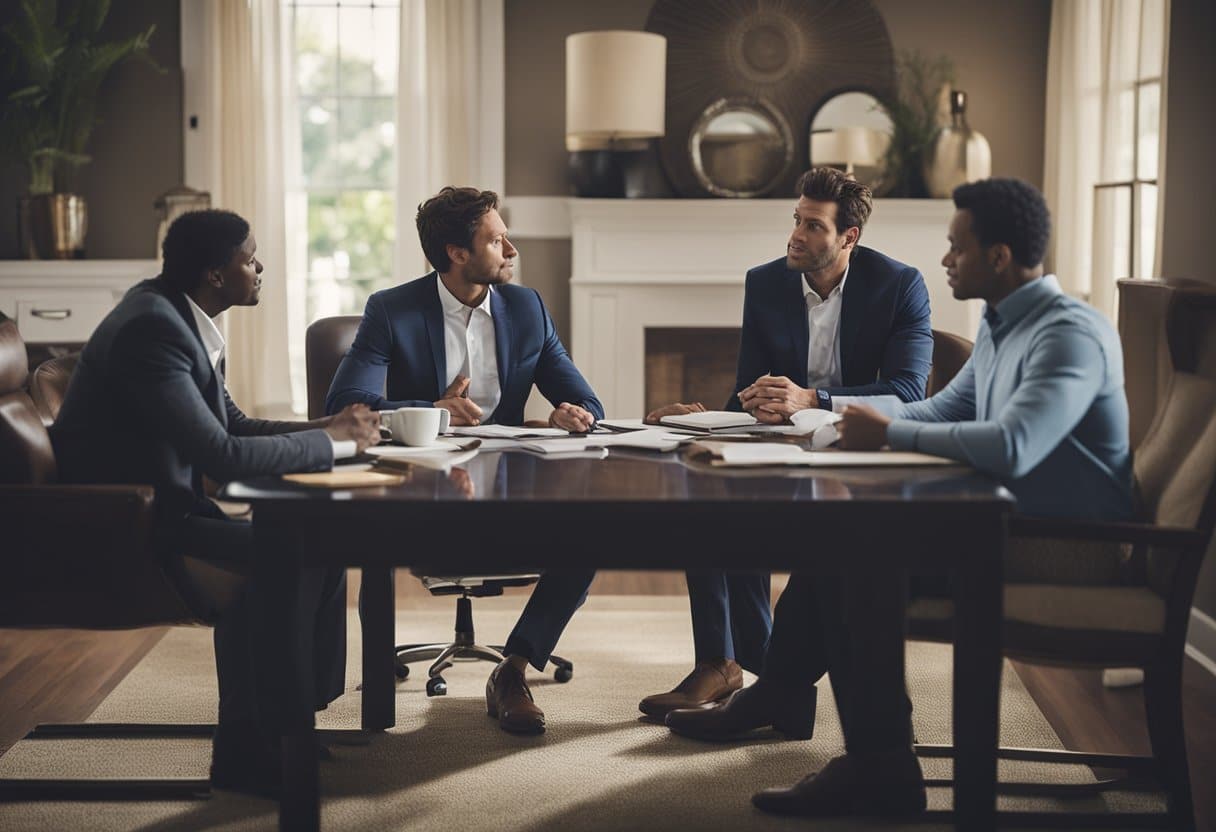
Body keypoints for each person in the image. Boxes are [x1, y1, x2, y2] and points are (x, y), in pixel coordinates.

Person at [668, 178, 1135, 819]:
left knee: (859, 558)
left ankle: (871, 760)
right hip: (1000, 521)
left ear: (998, 257)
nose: (945, 260)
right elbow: (945, 408)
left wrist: (884, 429)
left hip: (1063, 544)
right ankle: (807, 711)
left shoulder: (1068, 333)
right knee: (842, 542)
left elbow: (1017, 443)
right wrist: (845, 428)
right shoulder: (1005, 327)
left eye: (957, 248)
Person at [49, 209, 381, 798]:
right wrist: (329, 441)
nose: (258, 267)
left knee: (319, 543)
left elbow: (234, 423)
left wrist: (328, 426)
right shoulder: (155, 331)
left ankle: (286, 722)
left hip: (158, 510)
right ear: (214, 273)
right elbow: (223, 455)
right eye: (248, 258)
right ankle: (251, 747)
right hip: (125, 526)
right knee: (291, 551)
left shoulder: (178, 316)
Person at [638, 167, 933, 721]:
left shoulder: (899, 285)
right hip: (784, 443)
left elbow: (908, 392)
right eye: (796, 219)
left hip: (861, 451)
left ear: (849, 238)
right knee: (705, 492)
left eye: (814, 226)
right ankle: (723, 664)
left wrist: (813, 399)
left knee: (777, 526)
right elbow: (750, 386)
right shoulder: (766, 282)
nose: (796, 234)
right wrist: (706, 420)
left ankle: (770, 680)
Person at [326, 186, 603, 734]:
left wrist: (572, 413)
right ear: (456, 252)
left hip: (513, 485)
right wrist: (431, 409)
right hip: (424, 489)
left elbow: (587, 400)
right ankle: (376, 679)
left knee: (591, 531)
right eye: (497, 240)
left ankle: (515, 668)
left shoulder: (527, 308)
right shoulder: (393, 309)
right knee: (370, 538)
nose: (512, 250)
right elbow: (344, 407)